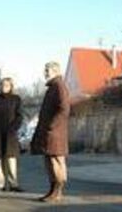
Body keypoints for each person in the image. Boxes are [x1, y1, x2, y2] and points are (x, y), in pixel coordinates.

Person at [30, 61, 70, 203]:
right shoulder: (52, 87)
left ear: (56, 71)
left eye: (47, 70)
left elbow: (64, 108)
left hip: (55, 133)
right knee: (49, 161)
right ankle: (52, 190)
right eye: (45, 70)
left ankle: (58, 191)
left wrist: (52, 126)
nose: (45, 72)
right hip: (49, 132)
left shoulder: (59, 86)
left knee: (56, 161)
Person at [0, 77, 23, 192]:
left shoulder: (16, 99)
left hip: (10, 134)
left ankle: (13, 184)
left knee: (11, 159)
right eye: (2, 85)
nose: (4, 87)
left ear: (11, 86)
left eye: (7, 85)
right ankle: (0, 184)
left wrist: (14, 128)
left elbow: (19, 116)